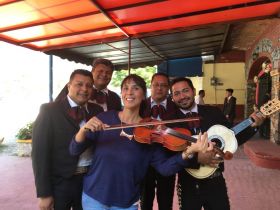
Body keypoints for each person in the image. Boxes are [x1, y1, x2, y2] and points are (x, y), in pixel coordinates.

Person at [69, 74, 213, 210]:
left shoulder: (150, 130)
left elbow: (164, 168)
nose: (129, 92)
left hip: (126, 203)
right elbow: (74, 150)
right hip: (93, 198)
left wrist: (189, 152)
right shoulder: (105, 118)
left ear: (143, 95)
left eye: (135, 88)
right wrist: (83, 130)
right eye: (125, 88)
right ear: (121, 93)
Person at [170, 77, 264, 210]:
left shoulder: (213, 112)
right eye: (177, 93)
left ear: (193, 91)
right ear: (172, 97)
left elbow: (232, 139)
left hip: (215, 181)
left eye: (185, 91)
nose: (182, 96)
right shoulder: (171, 121)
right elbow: (171, 155)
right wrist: (197, 159)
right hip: (188, 184)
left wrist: (253, 126)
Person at [32, 69, 104, 210]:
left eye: (89, 86)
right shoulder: (49, 110)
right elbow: (39, 154)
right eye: (79, 84)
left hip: (90, 179)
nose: (84, 89)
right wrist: (44, 194)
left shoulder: (97, 111)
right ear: (68, 86)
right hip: (61, 182)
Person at [141, 73, 178, 210]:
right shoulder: (140, 104)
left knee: (166, 202)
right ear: (150, 86)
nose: (159, 88)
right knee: (145, 201)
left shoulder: (175, 107)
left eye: (163, 85)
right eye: (156, 85)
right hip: (144, 161)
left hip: (168, 159)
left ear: (168, 88)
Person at [56, 58, 122, 111]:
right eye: (100, 71)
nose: (104, 75)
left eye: (108, 73)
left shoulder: (115, 98)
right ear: (92, 71)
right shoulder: (72, 88)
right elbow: (57, 108)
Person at [256, 60, 272, 139]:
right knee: (264, 117)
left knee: (263, 117)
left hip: (262, 99)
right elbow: (267, 85)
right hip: (263, 99)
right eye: (268, 65)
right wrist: (267, 94)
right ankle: (263, 133)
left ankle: (263, 133)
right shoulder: (265, 75)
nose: (269, 67)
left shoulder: (263, 75)